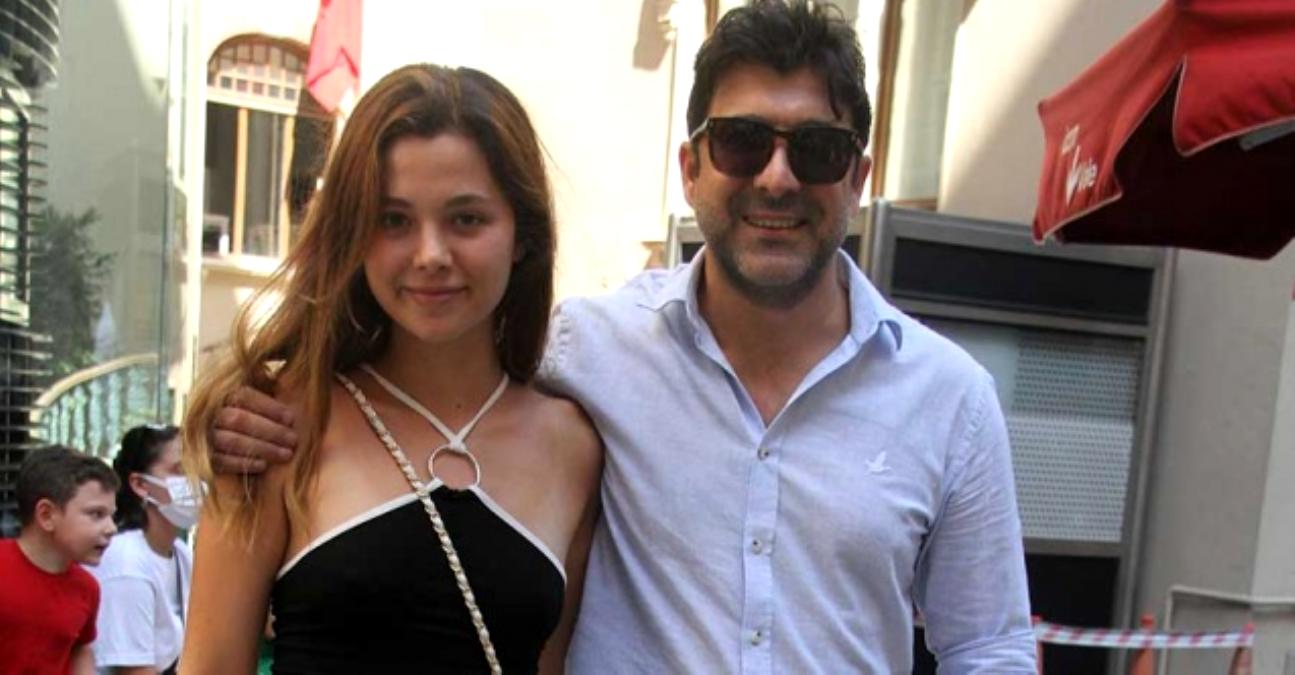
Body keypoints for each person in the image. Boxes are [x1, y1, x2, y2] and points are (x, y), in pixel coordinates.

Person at [205, 1, 1036, 671]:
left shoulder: (950, 399)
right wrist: (231, 412)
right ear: (690, 167)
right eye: (742, 142)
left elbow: (987, 647)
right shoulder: (584, 352)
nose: (776, 177)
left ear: (857, 176)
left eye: (816, 150)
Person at [179, 63, 602, 674]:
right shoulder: (276, 424)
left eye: (466, 219)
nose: (430, 255)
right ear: (354, 233)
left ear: (523, 236)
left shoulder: (572, 446)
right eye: (393, 220)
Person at [0, 446, 119, 675]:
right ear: (46, 515)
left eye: (112, 515)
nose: (111, 528)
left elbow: (80, 647)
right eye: (96, 514)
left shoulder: (87, 588)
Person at [90, 424, 195, 675]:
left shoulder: (180, 553)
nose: (195, 480)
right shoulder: (126, 562)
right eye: (180, 470)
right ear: (140, 484)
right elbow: (134, 670)